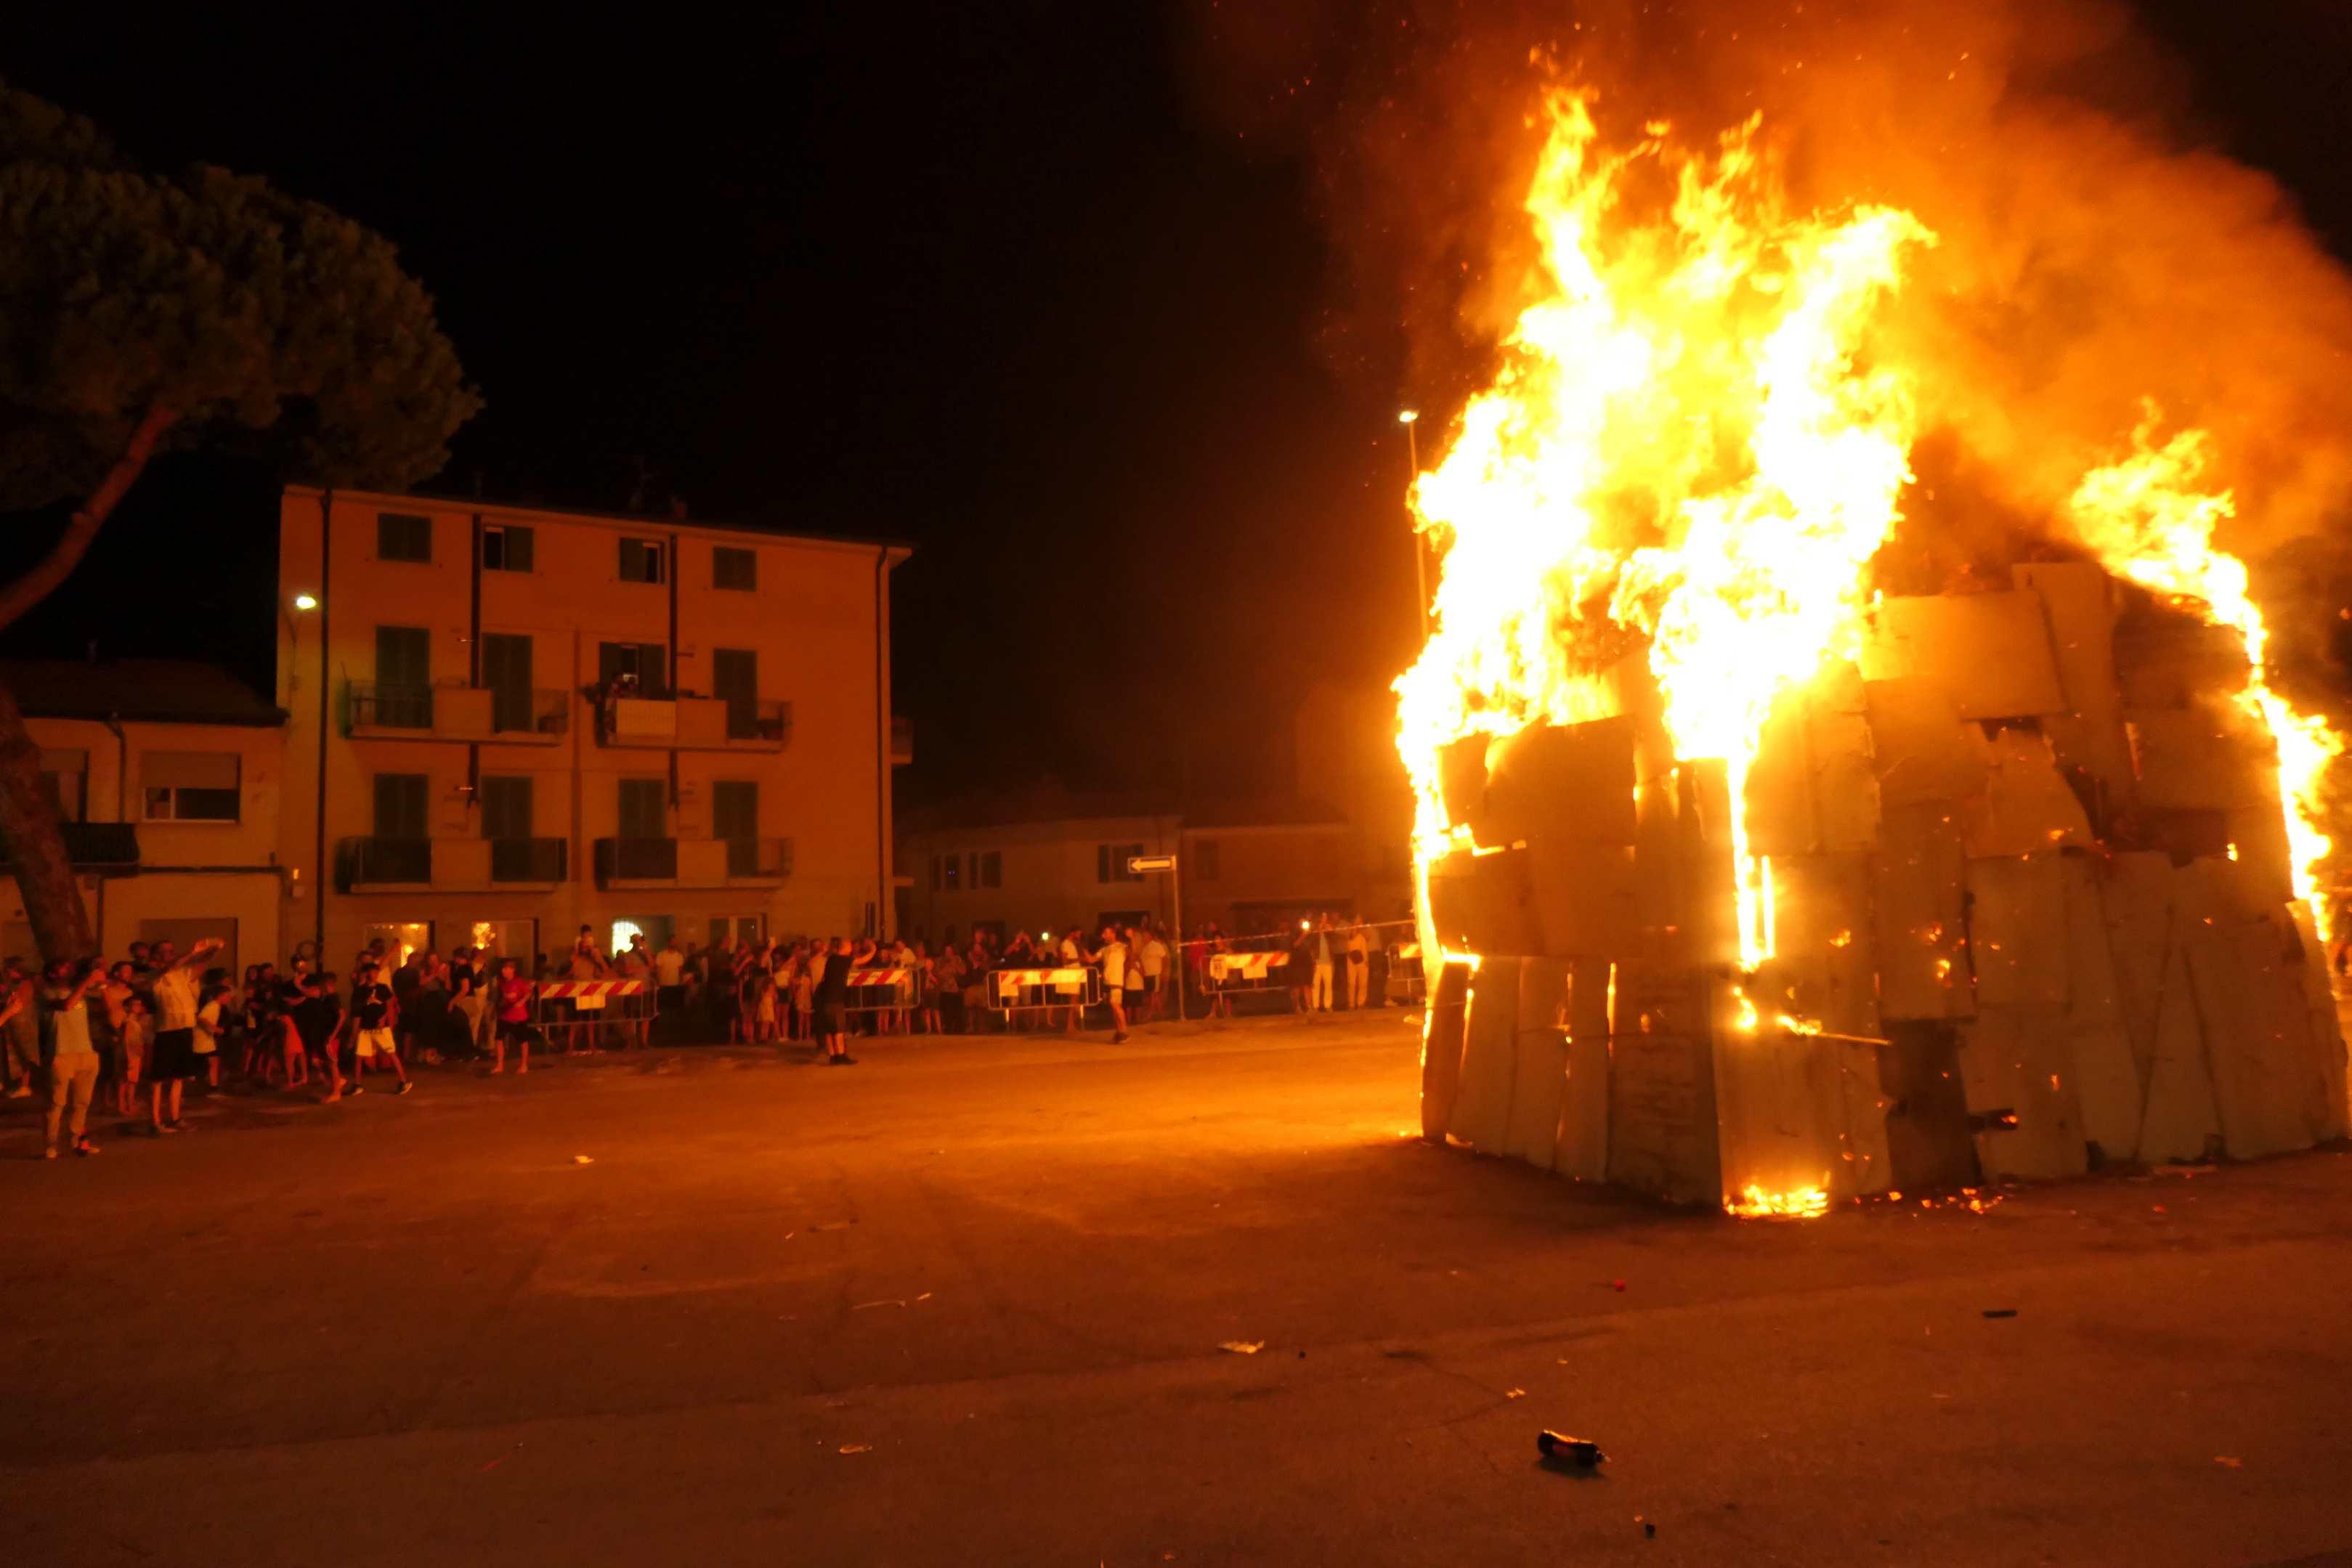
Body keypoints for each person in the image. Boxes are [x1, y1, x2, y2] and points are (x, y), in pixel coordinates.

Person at [147, 937, 222, 1134]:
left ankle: (175, 1117)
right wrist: (193, 951)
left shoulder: (181, 972)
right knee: (158, 1079)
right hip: (167, 1031)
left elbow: (200, 967)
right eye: (166, 951)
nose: (170, 954)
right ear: (156, 956)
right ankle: (155, 1122)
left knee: (179, 1077)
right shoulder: (156, 974)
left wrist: (212, 951)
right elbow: (172, 965)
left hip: (185, 1029)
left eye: (172, 950)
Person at [36, 959, 103, 1159]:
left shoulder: (81, 991)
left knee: (82, 1102)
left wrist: (97, 980)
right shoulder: (47, 992)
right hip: (61, 1054)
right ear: (52, 974)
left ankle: (77, 1141)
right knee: (57, 1103)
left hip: (86, 1052)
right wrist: (87, 981)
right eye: (63, 967)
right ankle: (51, 1144)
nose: (69, 970)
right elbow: (66, 1005)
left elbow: (100, 994)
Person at [349, 960, 413, 1093]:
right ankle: (357, 1084)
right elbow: (356, 1013)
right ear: (367, 973)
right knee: (359, 1056)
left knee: (391, 1053)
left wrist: (387, 1020)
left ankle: (403, 1081)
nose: (375, 974)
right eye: (372, 972)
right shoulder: (359, 991)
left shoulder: (383, 988)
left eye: (377, 972)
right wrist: (353, 1035)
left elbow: (389, 1007)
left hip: (381, 1028)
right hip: (365, 1029)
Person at [814, 935, 855, 1064]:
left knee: (829, 1029)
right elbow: (862, 960)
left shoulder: (831, 959)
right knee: (838, 1029)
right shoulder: (844, 960)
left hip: (825, 998)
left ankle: (833, 1056)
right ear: (846, 947)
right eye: (850, 946)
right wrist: (872, 950)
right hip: (835, 999)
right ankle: (841, 1055)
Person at [492, 956, 535, 1074]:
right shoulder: (502, 983)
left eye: (507, 969)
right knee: (499, 1039)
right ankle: (500, 1065)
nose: (504, 971)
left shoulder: (519, 982)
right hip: (505, 1015)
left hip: (519, 1017)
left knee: (523, 1040)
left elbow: (528, 993)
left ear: (513, 970)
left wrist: (521, 1002)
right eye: (503, 969)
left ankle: (524, 1065)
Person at [1, 957, 36, 1098]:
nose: (7, 971)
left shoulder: (25, 984)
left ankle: (24, 1086)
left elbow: (18, 1004)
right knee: (12, 1054)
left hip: (23, 1025)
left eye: (10, 969)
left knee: (24, 1055)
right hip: (11, 1024)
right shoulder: (11, 984)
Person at [1095, 924, 1132, 1044]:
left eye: (1106, 933)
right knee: (1113, 1008)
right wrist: (1081, 950)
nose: (1103, 935)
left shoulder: (1121, 947)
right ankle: (1119, 1031)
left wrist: (1131, 939)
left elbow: (1131, 954)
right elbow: (1092, 959)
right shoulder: (1104, 949)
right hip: (1107, 981)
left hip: (1116, 980)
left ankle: (1125, 1032)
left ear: (1113, 934)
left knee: (1116, 1005)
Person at [652, 932, 687, 1038]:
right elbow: (657, 970)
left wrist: (682, 982)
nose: (674, 943)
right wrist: (658, 982)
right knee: (663, 1008)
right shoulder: (661, 955)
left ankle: (673, 1029)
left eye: (675, 941)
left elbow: (681, 971)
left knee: (674, 1008)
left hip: (675, 985)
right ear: (668, 942)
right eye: (672, 941)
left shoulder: (679, 956)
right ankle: (663, 1029)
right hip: (664, 985)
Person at [1310, 917, 1335, 1013]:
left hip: (1328, 963)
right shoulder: (1315, 935)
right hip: (1317, 963)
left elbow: (1334, 937)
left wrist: (1329, 929)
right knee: (1316, 986)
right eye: (1322, 921)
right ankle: (1315, 1006)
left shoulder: (1329, 934)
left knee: (1328, 985)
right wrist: (1319, 930)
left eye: (1325, 920)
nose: (1323, 923)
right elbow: (1311, 946)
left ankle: (1328, 1006)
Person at [1345, 919, 1371, 1009]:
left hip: (1362, 961)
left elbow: (1365, 948)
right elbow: (1347, 950)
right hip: (1351, 961)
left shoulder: (1361, 937)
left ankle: (1361, 1003)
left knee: (1363, 983)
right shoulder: (1349, 938)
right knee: (1351, 983)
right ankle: (1351, 1004)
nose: (1354, 929)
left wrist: (1366, 961)